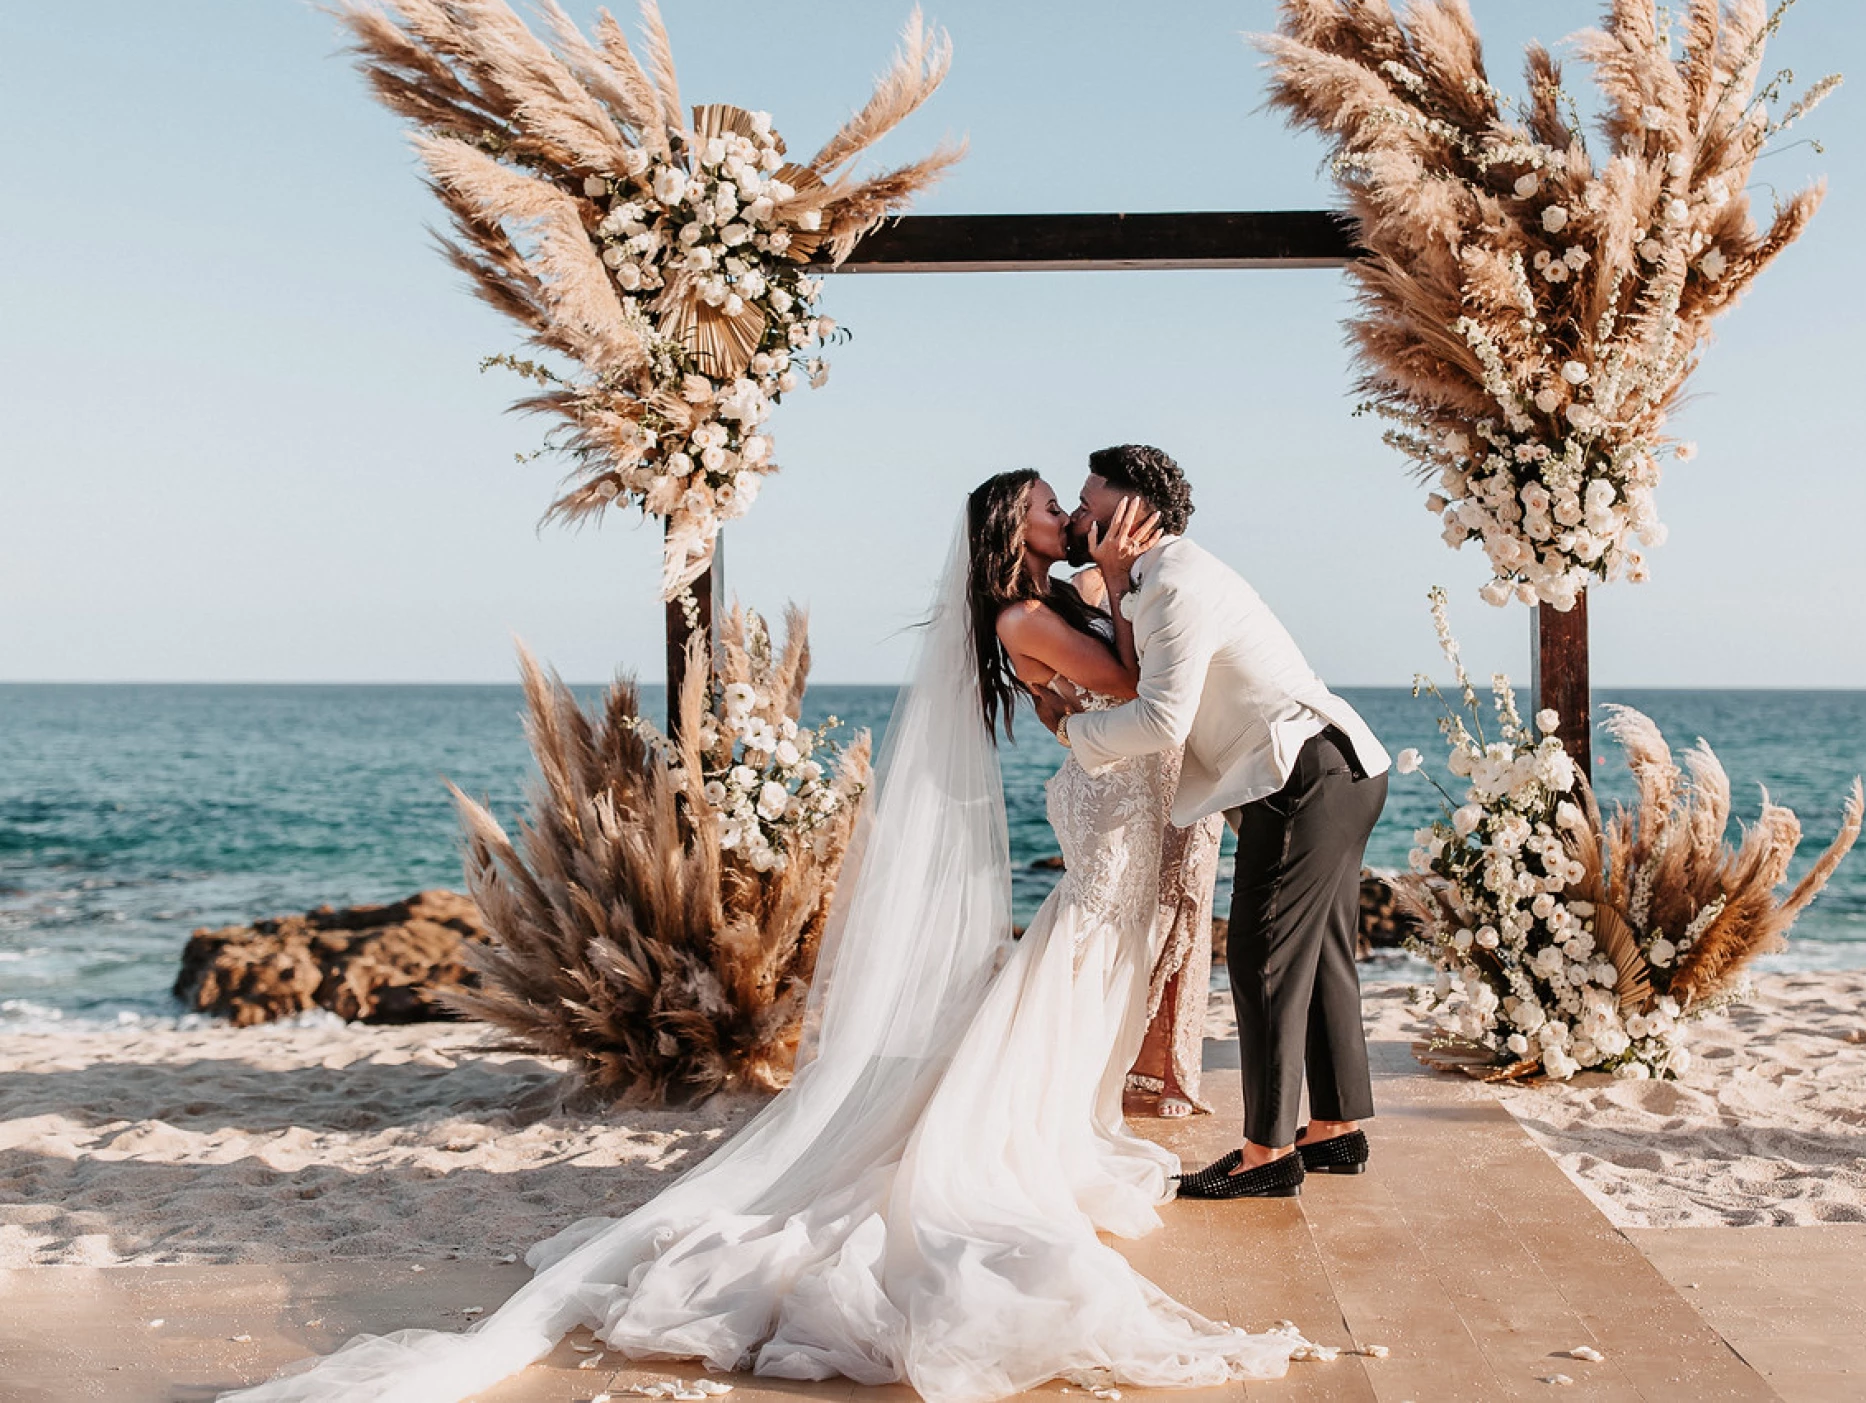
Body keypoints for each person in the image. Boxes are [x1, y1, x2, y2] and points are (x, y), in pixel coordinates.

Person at [219, 469, 1297, 1403]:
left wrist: (1112, 599)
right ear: (1013, 533)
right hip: (1105, 817)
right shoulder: (1025, 612)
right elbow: (1126, 685)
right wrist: (1117, 588)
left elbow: (1120, 688)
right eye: (1051, 506)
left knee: (1075, 980)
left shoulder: (1047, 599)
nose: (1071, 510)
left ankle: (1063, 1122)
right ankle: (1030, 1137)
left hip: (1113, 811)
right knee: (1060, 979)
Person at [1037, 445, 1390, 1201]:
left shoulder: (1175, 586)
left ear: (1132, 513)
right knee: (1321, 955)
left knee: (1261, 957)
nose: (1077, 514)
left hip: (1306, 775)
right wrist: (1121, 577)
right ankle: (1333, 1128)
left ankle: (1266, 1151)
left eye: (1088, 500)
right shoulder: (1158, 578)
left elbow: (1163, 718)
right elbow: (1145, 674)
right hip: (1338, 768)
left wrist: (1074, 733)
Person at [1071, 563, 1221, 1119]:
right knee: (1120, 913)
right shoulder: (1076, 595)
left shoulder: (1169, 583)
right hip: (1121, 772)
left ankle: (1175, 1071)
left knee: (1187, 905)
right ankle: (1110, 1057)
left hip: (1185, 761)